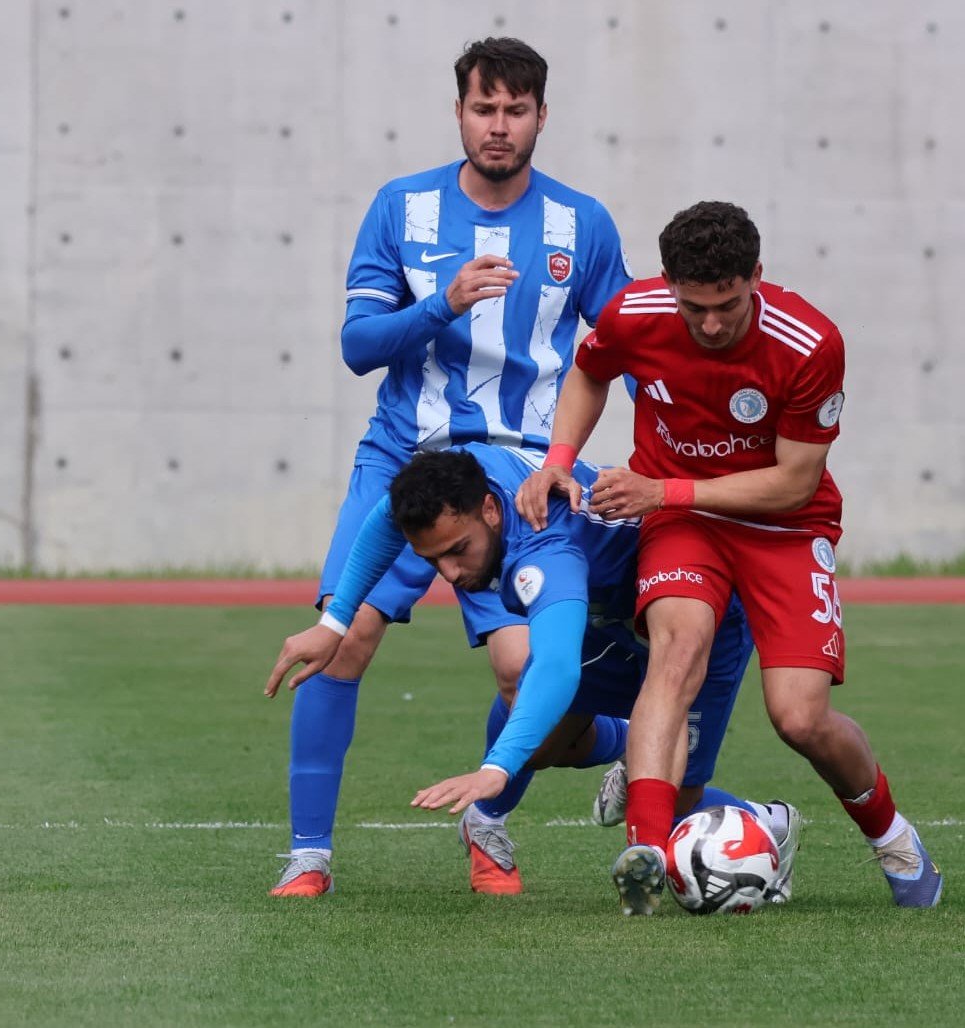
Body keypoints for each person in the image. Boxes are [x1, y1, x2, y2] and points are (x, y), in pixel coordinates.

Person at [264, 36, 632, 897]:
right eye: (482, 108)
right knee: (339, 636)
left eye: (514, 111)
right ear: (458, 111)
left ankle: (494, 819)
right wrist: (441, 302)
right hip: (408, 464)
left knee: (522, 669)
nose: (496, 127)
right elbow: (357, 346)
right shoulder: (402, 209)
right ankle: (308, 855)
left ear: (541, 116)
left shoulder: (582, 224)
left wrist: (621, 461)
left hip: (520, 484)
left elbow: (624, 352)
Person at [515, 200, 941, 913]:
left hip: (782, 526)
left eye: (727, 305)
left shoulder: (808, 343)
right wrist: (560, 458)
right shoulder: (633, 313)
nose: (709, 324)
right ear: (667, 285)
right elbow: (590, 370)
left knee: (798, 718)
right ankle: (647, 849)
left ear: (756, 279)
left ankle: (892, 837)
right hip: (684, 524)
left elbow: (793, 480)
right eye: (693, 307)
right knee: (676, 649)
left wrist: (664, 489)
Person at [267, 447, 798, 903]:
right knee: (541, 742)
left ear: (492, 511)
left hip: (696, 611)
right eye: (436, 560)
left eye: (459, 551)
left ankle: (772, 822)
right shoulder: (457, 482)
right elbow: (385, 518)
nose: (450, 573)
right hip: (609, 609)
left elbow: (558, 667)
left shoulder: (544, 550)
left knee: (677, 793)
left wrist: (495, 770)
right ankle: (638, 747)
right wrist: (332, 624)